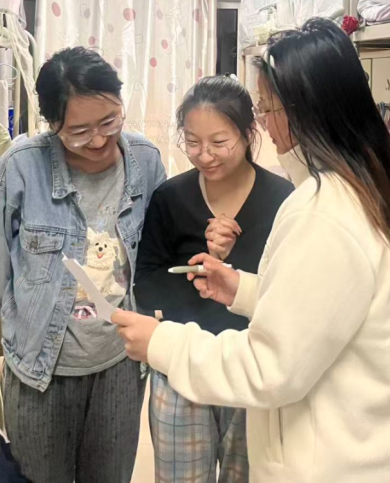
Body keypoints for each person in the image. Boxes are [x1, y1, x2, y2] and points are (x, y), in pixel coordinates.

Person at [113, 18, 390, 483]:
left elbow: (269, 368)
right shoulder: (361, 188)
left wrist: (162, 343)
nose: (264, 120)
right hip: (358, 453)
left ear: (300, 111)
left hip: (332, 466)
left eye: (266, 107)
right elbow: (321, 308)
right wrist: (243, 289)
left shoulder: (320, 212)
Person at [0, 47, 166, 483]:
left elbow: (157, 249)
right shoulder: (20, 168)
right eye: (79, 131)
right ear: (52, 124)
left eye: (109, 122)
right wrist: (24, 320)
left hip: (119, 363)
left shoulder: (145, 161)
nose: (97, 141)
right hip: (41, 369)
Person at [135, 76, 294, 483]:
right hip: (180, 364)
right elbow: (146, 284)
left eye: (219, 142)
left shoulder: (283, 200)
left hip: (251, 365)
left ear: (248, 132)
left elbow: (289, 290)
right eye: (192, 142)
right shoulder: (170, 198)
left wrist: (232, 271)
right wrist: (202, 268)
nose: (204, 155)